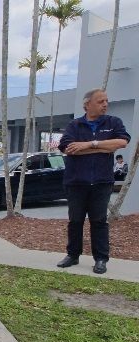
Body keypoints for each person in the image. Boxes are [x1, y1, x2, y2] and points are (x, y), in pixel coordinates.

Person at [57, 88, 130, 274]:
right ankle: (72, 255)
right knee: (75, 221)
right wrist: (104, 148)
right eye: (100, 101)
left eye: (106, 101)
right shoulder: (75, 125)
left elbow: (121, 143)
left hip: (102, 182)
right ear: (87, 104)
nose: (105, 104)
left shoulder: (113, 123)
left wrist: (90, 144)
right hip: (76, 182)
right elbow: (68, 149)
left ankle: (100, 259)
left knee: (99, 221)